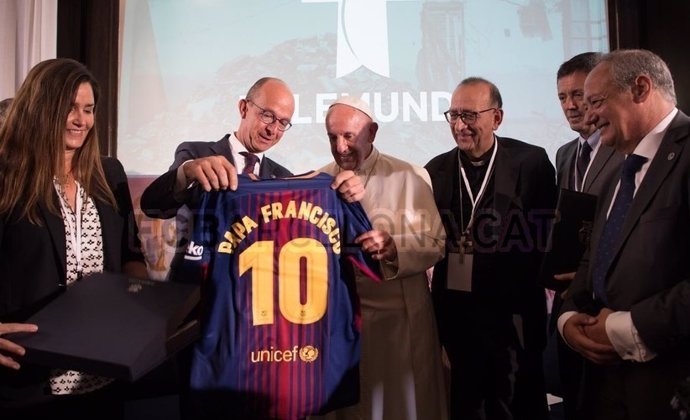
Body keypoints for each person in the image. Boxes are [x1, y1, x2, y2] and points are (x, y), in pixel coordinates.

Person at [0, 58, 146, 418]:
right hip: (23, 383)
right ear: (41, 107)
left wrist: (145, 307)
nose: (81, 120)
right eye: (69, 108)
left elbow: (132, 256)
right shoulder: (6, 177)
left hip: (103, 377)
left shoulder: (108, 174)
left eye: (89, 109)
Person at [558, 49, 690, 420]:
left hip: (670, 383)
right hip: (604, 382)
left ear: (641, 88)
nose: (588, 114)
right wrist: (568, 320)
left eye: (596, 101)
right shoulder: (620, 174)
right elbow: (593, 258)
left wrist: (626, 328)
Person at [426, 77, 557, 420]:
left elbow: (546, 239)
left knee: (518, 404)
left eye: (468, 115)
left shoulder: (531, 163)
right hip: (456, 314)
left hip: (513, 316)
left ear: (496, 118)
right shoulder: (435, 170)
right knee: (467, 405)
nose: (458, 125)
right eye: (452, 115)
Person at [315, 96, 448, 420]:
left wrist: (393, 247)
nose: (340, 146)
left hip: (398, 324)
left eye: (348, 136)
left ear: (372, 132)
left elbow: (435, 243)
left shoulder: (410, 176)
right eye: (333, 137)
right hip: (341, 321)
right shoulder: (319, 179)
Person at [550, 51, 623, 420]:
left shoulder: (625, 149)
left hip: (612, 305)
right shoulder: (563, 154)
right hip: (569, 301)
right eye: (563, 97)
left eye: (579, 94)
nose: (571, 105)